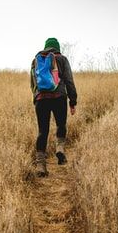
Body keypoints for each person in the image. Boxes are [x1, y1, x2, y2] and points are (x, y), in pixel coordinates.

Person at [30, 37, 77, 177]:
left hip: (41, 99)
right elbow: (69, 80)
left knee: (42, 131)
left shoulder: (36, 60)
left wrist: (36, 99)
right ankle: (60, 148)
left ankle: (40, 166)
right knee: (61, 125)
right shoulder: (62, 59)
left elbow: (33, 83)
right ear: (57, 48)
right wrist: (73, 101)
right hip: (59, 97)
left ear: (45, 47)